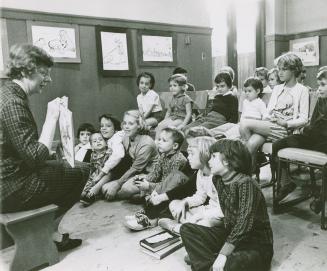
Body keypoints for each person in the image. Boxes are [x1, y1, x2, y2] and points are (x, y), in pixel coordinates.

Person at [0, 44, 90, 251]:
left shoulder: (7, 93)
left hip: (7, 180)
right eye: (43, 73)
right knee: (82, 170)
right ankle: (49, 234)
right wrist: (51, 117)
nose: (48, 79)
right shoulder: (13, 102)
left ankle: (47, 232)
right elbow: (34, 157)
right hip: (11, 188)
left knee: (64, 165)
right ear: (24, 71)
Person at [180, 139, 274, 271]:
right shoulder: (217, 179)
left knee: (233, 263)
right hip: (230, 235)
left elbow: (244, 224)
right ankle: (209, 265)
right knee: (187, 229)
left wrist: (224, 254)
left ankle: (207, 260)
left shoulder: (246, 183)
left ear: (228, 161)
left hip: (255, 243)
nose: (209, 161)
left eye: (213, 157)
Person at [239, 52, 309, 168]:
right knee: (250, 144)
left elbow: (304, 119)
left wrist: (286, 123)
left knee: (244, 124)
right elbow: (269, 111)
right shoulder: (277, 88)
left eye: (284, 69)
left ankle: (249, 170)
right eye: (279, 69)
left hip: (284, 129)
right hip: (270, 125)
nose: (279, 72)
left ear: (294, 70)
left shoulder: (302, 90)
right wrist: (268, 118)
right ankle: (251, 178)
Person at [272, 69, 327, 208]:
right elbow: (313, 124)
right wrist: (305, 129)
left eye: (323, 85)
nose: (319, 89)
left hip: (324, 142)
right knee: (279, 144)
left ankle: (322, 197)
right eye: (319, 85)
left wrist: (308, 129)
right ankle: (285, 183)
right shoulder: (321, 101)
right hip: (313, 138)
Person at [124, 127, 188, 230]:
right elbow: (155, 173)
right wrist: (144, 180)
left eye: (164, 140)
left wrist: (149, 186)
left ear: (175, 146)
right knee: (143, 186)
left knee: (159, 195)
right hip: (162, 186)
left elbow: (169, 184)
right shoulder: (163, 155)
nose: (159, 142)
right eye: (159, 139)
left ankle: (150, 218)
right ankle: (146, 212)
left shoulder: (178, 160)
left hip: (174, 192)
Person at [159, 136, 224, 235]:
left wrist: (201, 215)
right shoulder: (200, 173)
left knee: (205, 222)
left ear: (205, 155)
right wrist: (186, 202)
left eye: (192, 154)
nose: (188, 157)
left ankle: (181, 228)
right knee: (174, 204)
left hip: (219, 215)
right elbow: (200, 196)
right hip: (208, 209)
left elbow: (222, 210)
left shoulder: (217, 177)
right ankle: (188, 228)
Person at [101, 110, 158, 200]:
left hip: (151, 174)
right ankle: (138, 195)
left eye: (130, 124)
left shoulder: (146, 143)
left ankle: (147, 192)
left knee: (125, 189)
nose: (126, 127)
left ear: (139, 125)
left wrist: (117, 184)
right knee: (105, 188)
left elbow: (135, 168)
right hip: (137, 173)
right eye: (125, 123)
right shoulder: (126, 137)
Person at [80, 132, 111, 206]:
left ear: (106, 143)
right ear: (92, 147)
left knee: (104, 178)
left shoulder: (109, 152)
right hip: (95, 174)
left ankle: (93, 194)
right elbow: (92, 167)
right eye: (95, 141)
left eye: (100, 139)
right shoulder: (92, 154)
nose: (98, 141)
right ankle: (87, 193)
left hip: (106, 175)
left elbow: (110, 167)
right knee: (82, 193)